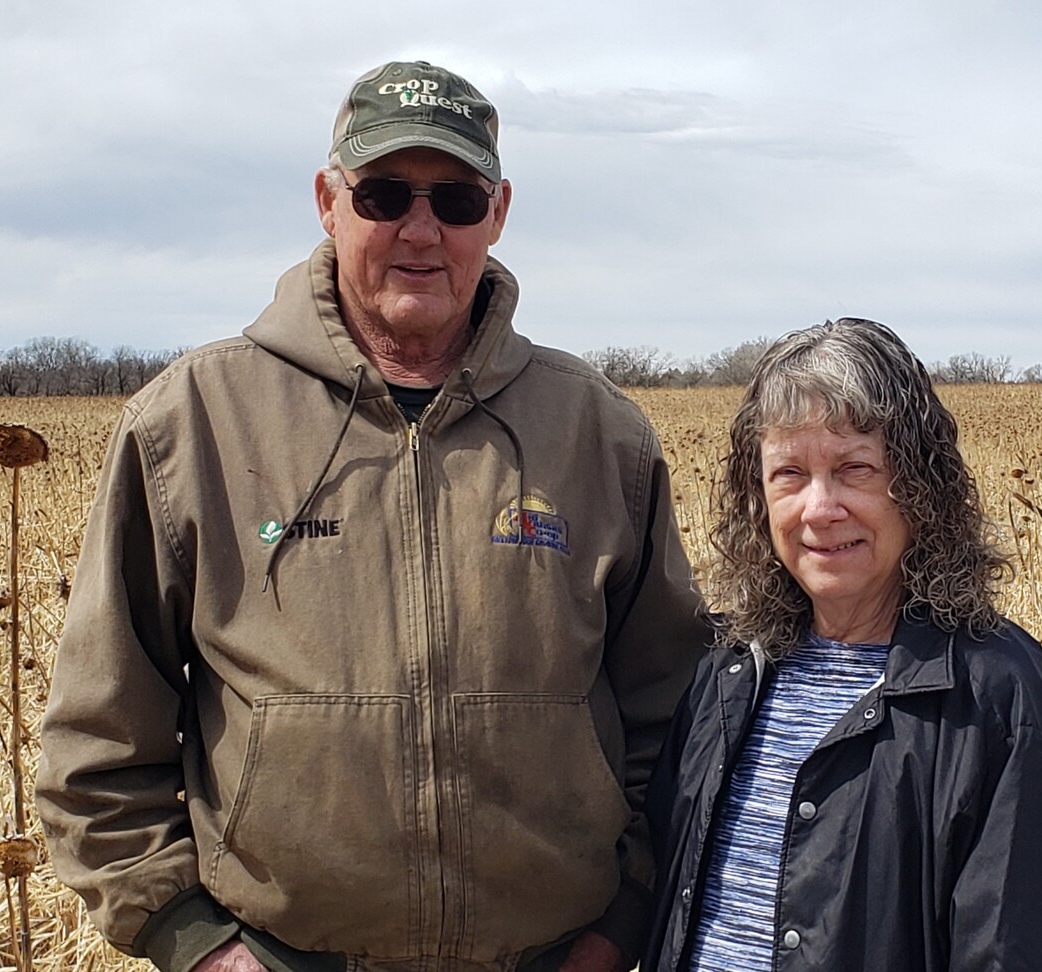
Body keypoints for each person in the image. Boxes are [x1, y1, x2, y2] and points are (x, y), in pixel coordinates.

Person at [36, 60, 707, 972]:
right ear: (328, 199)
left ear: (499, 211)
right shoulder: (191, 423)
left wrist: (618, 927)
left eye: (457, 201)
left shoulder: (601, 434)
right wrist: (194, 943)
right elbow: (100, 743)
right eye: (385, 194)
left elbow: (677, 722)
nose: (421, 231)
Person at [643, 319, 1042, 972]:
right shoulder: (728, 670)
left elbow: (1028, 946)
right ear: (758, 499)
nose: (819, 507)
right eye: (789, 474)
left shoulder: (991, 690)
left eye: (853, 469)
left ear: (917, 489)